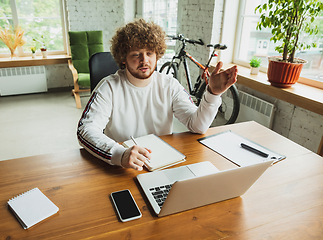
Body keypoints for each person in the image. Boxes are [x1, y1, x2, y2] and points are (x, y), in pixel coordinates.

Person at [77, 19, 238, 171]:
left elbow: (197, 126)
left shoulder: (170, 84)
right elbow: (86, 129)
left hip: (162, 163)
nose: (144, 60)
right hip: (123, 167)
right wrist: (120, 153)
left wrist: (213, 93)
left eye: (149, 53)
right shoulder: (109, 87)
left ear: (157, 54)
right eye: (135, 54)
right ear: (123, 58)